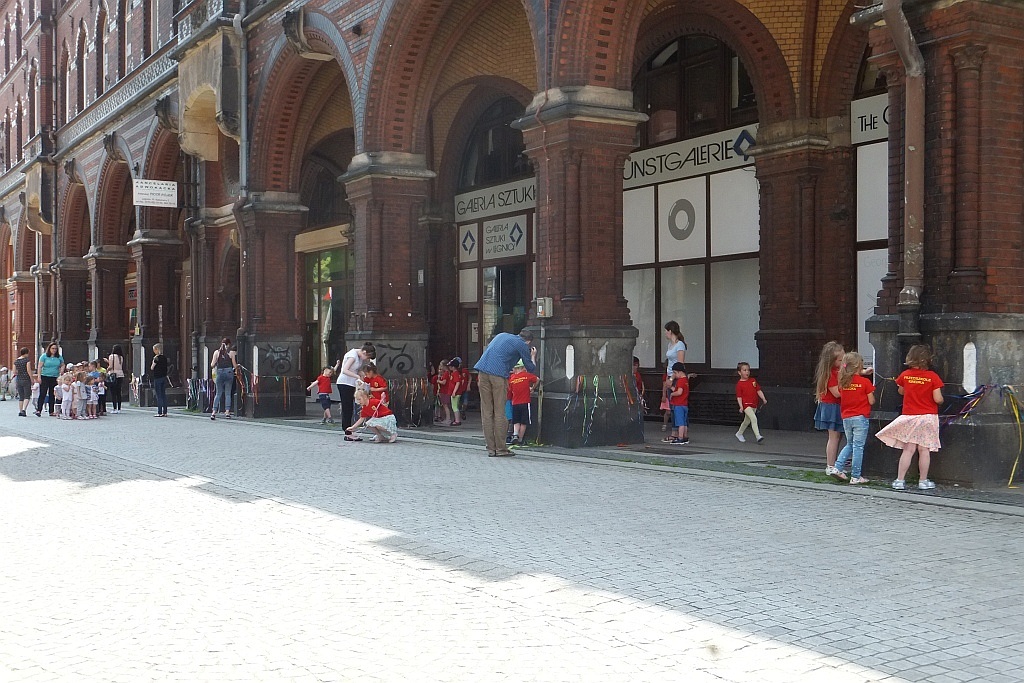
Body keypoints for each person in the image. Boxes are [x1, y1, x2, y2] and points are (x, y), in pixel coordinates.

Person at [877, 344, 944, 491]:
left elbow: (901, 391)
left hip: (910, 416)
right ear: (928, 359)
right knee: (924, 450)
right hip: (927, 417)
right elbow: (938, 399)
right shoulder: (933, 377)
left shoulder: (905, 375)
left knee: (908, 450)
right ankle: (923, 481)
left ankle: (900, 480)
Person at [474, 329, 537, 457]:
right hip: (498, 376)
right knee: (499, 412)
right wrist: (533, 356)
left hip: (482, 373)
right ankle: (500, 449)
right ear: (528, 341)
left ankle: (491, 449)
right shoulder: (522, 345)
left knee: (487, 412)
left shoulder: (501, 335)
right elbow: (530, 368)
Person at [830, 351, 876, 485]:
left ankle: (837, 467)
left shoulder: (843, 383)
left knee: (849, 444)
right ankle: (855, 476)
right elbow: (871, 401)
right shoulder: (865, 382)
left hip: (846, 417)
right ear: (859, 366)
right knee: (858, 447)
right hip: (860, 417)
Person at [813, 342, 846, 475]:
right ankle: (830, 465)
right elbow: (837, 393)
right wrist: (850, 389)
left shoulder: (840, 369)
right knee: (834, 437)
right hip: (831, 407)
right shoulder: (830, 374)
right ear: (832, 361)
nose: (843, 362)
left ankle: (834, 463)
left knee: (838, 436)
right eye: (840, 360)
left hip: (837, 406)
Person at [336, 342, 377, 439]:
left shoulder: (358, 356)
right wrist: (357, 376)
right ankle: (347, 432)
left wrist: (360, 373)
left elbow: (354, 369)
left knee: (350, 407)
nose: (366, 359)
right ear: (364, 352)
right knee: (347, 408)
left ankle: (349, 431)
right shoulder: (353, 356)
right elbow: (345, 370)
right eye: (367, 357)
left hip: (350, 383)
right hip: (344, 383)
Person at [661, 321, 687, 432]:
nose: (665, 333)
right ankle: (674, 431)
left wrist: (672, 378)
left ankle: (678, 431)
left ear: (670, 331)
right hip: (669, 375)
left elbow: (680, 364)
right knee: (671, 406)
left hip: (676, 377)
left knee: (677, 405)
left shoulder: (680, 345)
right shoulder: (670, 345)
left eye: (666, 331)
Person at [507, 361, 539, 446]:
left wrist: (509, 398)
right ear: (522, 368)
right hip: (525, 402)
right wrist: (533, 388)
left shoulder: (512, 378)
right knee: (524, 422)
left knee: (516, 421)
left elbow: (509, 391)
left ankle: (515, 435)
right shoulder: (526, 375)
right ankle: (520, 439)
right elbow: (537, 379)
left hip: (515, 403)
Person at [735, 361, 767, 444]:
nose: (747, 372)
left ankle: (739, 433)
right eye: (744, 370)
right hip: (746, 405)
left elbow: (758, 390)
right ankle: (758, 436)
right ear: (739, 372)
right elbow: (739, 397)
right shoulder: (739, 384)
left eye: (748, 370)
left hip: (754, 404)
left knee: (747, 421)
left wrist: (763, 398)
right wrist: (741, 406)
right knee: (753, 418)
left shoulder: (753, 380)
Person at [210, 337, 238, 420]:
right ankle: (227, 412)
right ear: (228, 344)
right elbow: (234, 365)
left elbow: (212, 364)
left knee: (218, 393)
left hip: (220, 373)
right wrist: (237, 367)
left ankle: (214, 412)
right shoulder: (231, 353)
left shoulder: (216, 352)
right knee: (228, 393)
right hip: (229, 373)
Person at [35, 341, 65, 416]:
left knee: (52, 394)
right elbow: (40, 367)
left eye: (55, 349)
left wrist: (62, 370)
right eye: (52, 348)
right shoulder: (44, 356)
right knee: (43, 393)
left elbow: (63, 364)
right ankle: (39, 410)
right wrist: (39, 376)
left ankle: (51, 411)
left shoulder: (59, 357)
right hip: (45, 376)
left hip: (54, 377)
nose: (54, 350)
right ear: (49, 349)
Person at [666, 362, 691, 445]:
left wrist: (672, 394)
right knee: (684, 422)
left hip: (678, 404)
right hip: (684, 404)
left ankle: (680, 437)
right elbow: (680, 390)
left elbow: (679, 392)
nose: (674, 375)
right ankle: (685, 437)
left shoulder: (680, 381)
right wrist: (671, 387)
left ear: (680, 372)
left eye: (675, 373)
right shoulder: (685, 380)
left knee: (680, 423)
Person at [13, 347, 34, 417]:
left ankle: (20, 410)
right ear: (26, 353)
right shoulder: (27, 360)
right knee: (27, 395)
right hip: (26, 379)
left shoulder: (16, 361)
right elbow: (28, 370)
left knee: (21, 396)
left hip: (19, 379)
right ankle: (24, 410)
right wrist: (32, 378)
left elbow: (14, 372)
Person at [106, 344, 126, 413]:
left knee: (113, 392)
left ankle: (114, 408)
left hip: (113, 375)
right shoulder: (121, 357)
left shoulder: (112, 356)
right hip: (120, 375)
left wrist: (107, 370)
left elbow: (111, 366)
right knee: (118, 392)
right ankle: (119, 409)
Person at [151, 343, 169, 417]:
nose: (153, 351)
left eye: (154, 350)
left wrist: (153, 361)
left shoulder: (156, 358)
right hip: (163, 377)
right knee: (163, 394)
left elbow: (152, 367)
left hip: (157, 378)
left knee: (159, 395)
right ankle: (165, 412)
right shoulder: (164, 358)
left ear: (157, 349)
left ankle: (159, 412)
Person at [447, 357, 464, 426]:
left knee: (454, 407)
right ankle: (457, 419)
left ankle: (457, 420)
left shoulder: (455, 374)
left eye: (450, 366)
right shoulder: (455, 373)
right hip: (456, 393)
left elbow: (457, 382)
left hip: (455, 393)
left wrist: (454, 392)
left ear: (453, 367)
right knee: (455, 406)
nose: (449, 367)